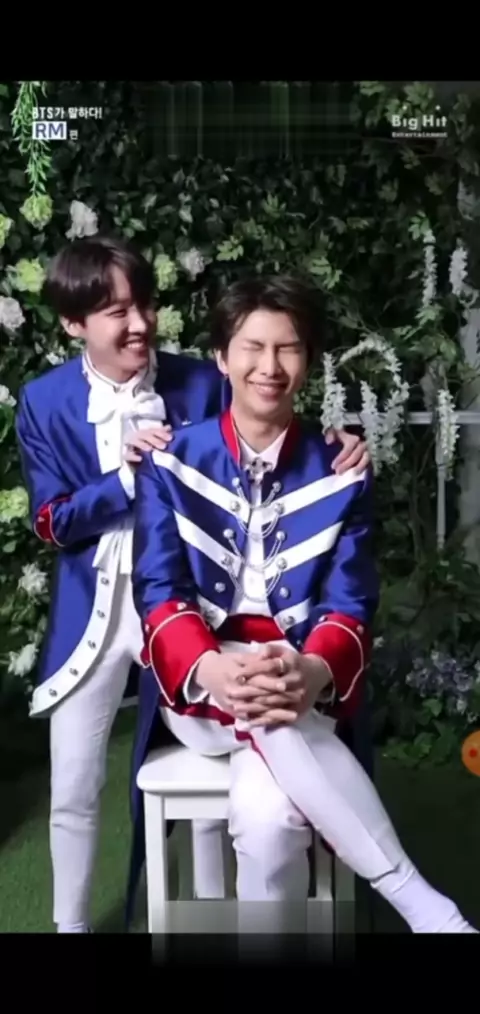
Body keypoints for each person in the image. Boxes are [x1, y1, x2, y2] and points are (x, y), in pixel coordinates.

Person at [15, 237, 368, 935]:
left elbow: (268, 430)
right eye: (116, 311)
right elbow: (52, 523)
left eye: (144, 304)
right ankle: (70, 930)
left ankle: (213, 917)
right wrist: (129, 479)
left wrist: (334, 444)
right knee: (74, 784)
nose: (139, 323)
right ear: (74, 323)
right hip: (94, 615)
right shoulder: (43, 401)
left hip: (188, 608)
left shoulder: (203, 379)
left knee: (214, 752)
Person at [131, 273, 477, 934]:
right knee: (264, 707)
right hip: (198, 688)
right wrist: (214, 668)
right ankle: (423, 906)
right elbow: (159, 592)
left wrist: (311, 671)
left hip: (297, 688)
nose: (270, 366)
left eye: (287, 348)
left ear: (309, 362)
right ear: (221, 358)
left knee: (270, 819)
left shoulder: (341, 468)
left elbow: (350, 602)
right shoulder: (171, 460)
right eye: (252, 347)